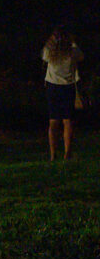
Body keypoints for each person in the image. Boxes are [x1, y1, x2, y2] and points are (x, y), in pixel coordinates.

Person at [42, 27, 84, 161]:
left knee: (53, 121)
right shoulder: (72, 51)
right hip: (67, 87)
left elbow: (44, 55)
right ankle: (67, 153)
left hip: (52, 87)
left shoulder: (49, 51)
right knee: (67, 121)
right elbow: (81, 57)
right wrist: (73, 42)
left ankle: (53, 154)